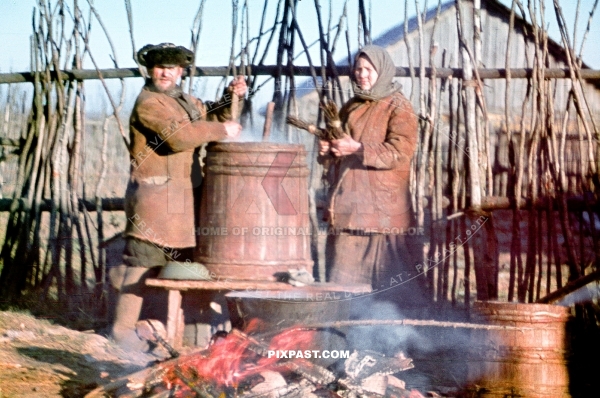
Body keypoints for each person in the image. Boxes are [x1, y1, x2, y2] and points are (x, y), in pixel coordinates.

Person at [109, 43, 247, 350]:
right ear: (150, 70)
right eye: (159, 67)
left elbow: (208, 119)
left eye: (171, 68)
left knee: (179, 270)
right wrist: (222, 130)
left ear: (180, 71)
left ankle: (174, 334)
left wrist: (230, 98)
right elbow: (177, 135)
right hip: (154, 199)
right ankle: (121, 331)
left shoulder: (185, 100)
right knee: (141, 265)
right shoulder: (149, 103)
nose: (165, 73)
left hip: (183, 201)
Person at [318, 45, 425, 308]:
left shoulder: (399, 107)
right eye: (358, 68)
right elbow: (337, 148)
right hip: (350, 209)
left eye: (368, 69)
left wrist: (357, 148)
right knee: (343, 290)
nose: (361, 74)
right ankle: (344, 338)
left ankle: (397, 344)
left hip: (383, 214)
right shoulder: (351, 107)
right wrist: (329, 150)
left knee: (392, 290)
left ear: (383, 70)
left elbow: (400, 152)